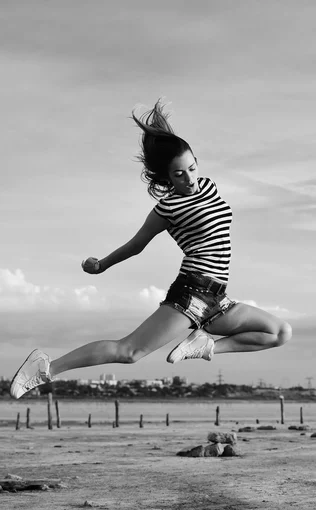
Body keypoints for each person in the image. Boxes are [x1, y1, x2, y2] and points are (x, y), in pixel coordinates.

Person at [10, 100, 292, 399]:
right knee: (129, 352)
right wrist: (101, 265)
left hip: (218, 298)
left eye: (192, 168)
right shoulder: (167, 207)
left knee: (279, 333)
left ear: (197, 160)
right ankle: (46, 368)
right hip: (192, 293)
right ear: (166, 178)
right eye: (178, 174)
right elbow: (136, 245)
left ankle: (205, 345)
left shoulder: (209, 186)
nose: (189, 179)